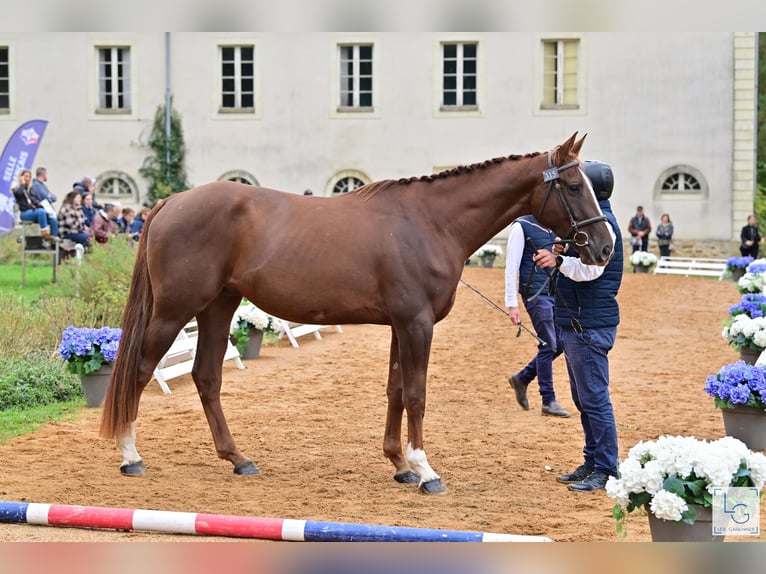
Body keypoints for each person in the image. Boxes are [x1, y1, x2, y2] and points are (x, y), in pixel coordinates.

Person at [532, 160, 622, 492]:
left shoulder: (606, 226)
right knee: (584, 399)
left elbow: (591, 270)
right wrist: (563, 249)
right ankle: (592, 460)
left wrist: (560, 261)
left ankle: (608, 468)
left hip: (590, 325)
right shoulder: (588, 225)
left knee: (595, 399)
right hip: (577, 323)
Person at [504, 215, 569, 417]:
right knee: (548, 344)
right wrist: (512, 303)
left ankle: (522, 377)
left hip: (555, 292)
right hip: (534, 293)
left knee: (561, 342)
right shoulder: (521, 226)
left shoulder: (556, 226)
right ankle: (548, 400)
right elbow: (511, 266)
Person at [12, 169, 60, 242]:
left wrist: (40, 205)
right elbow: (18, 193)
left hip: (34, 212)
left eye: (29, 177)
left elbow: (34, 200)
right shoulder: (17, 188)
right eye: (26, 176)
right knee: (41, 212)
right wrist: (22, 183)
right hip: (25, 213)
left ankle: (54, 238)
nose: (27, 178)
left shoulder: (30, 189)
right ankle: (45, 234)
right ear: (21, 177)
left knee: (52, 219)